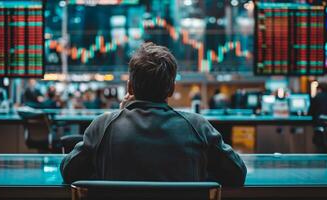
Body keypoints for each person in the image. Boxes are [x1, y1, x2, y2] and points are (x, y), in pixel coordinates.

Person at [60, 43, 247, 186]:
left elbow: (69, 172)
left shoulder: (103, 126)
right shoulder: (198, 127)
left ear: (130, 87)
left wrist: (121, 113)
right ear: (172, 89)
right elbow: (237, 173)